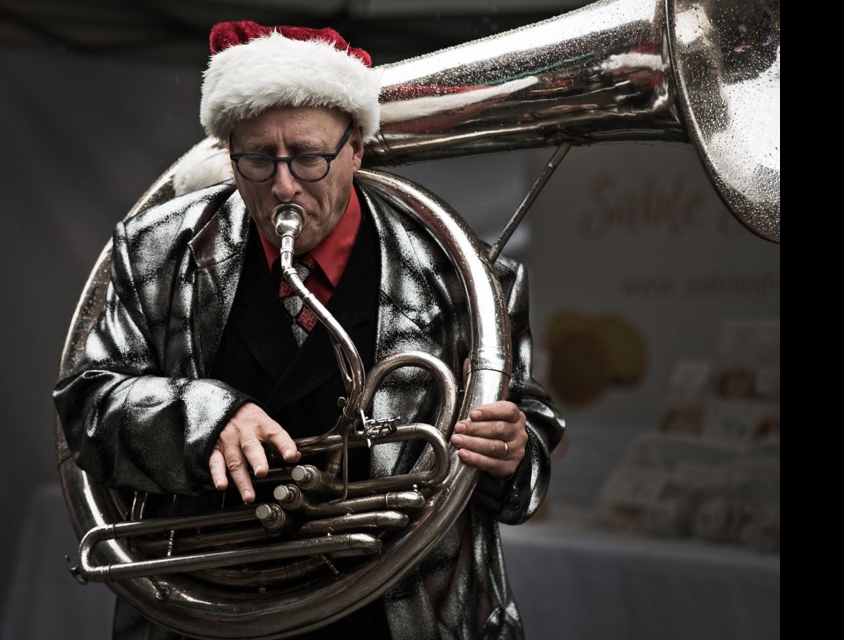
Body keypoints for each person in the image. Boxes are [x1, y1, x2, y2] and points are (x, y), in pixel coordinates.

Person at [53, 21, 564, 640]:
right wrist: (205, 418)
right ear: (228, 154)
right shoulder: (156, 250)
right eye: (258, 159)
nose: (284, 185)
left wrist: (511, 453)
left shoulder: (470, 275)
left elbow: (528, 451)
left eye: (309, 157)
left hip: (398, 616)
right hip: (208, 621)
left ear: (357, 148)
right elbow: (86, 403)